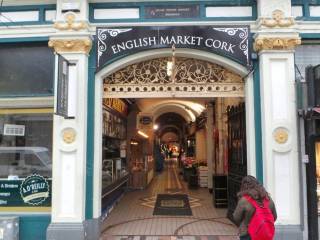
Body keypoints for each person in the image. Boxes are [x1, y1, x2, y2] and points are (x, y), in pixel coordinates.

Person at [233, 175, 277, 240]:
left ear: (243, 186)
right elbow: (274, 217)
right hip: (265, 234)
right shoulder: (268, 199)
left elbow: (236, 218)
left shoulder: (244, 200)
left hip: (247, 234)